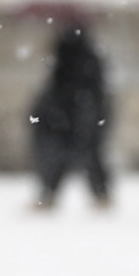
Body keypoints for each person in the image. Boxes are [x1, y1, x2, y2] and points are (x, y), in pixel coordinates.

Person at [25, 25, 112, 210]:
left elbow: (60, 89)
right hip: (83, 115)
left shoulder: (66, 60)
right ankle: (100, 195)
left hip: (71, 116)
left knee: (63, 157)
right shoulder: (88, 59)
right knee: (89, 156)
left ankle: (49, 195)